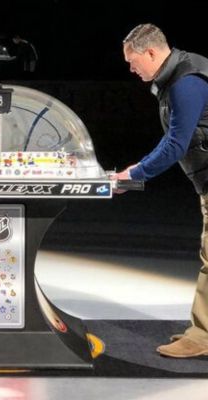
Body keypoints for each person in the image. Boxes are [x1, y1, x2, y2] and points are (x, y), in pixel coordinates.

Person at [112, 23, 208, 358]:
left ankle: (202, 337)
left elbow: (176, 144)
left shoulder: (186, 82)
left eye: (133, 61)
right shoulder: (180, 76)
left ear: (151, 52)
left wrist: (134, 174)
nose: (131, 69)